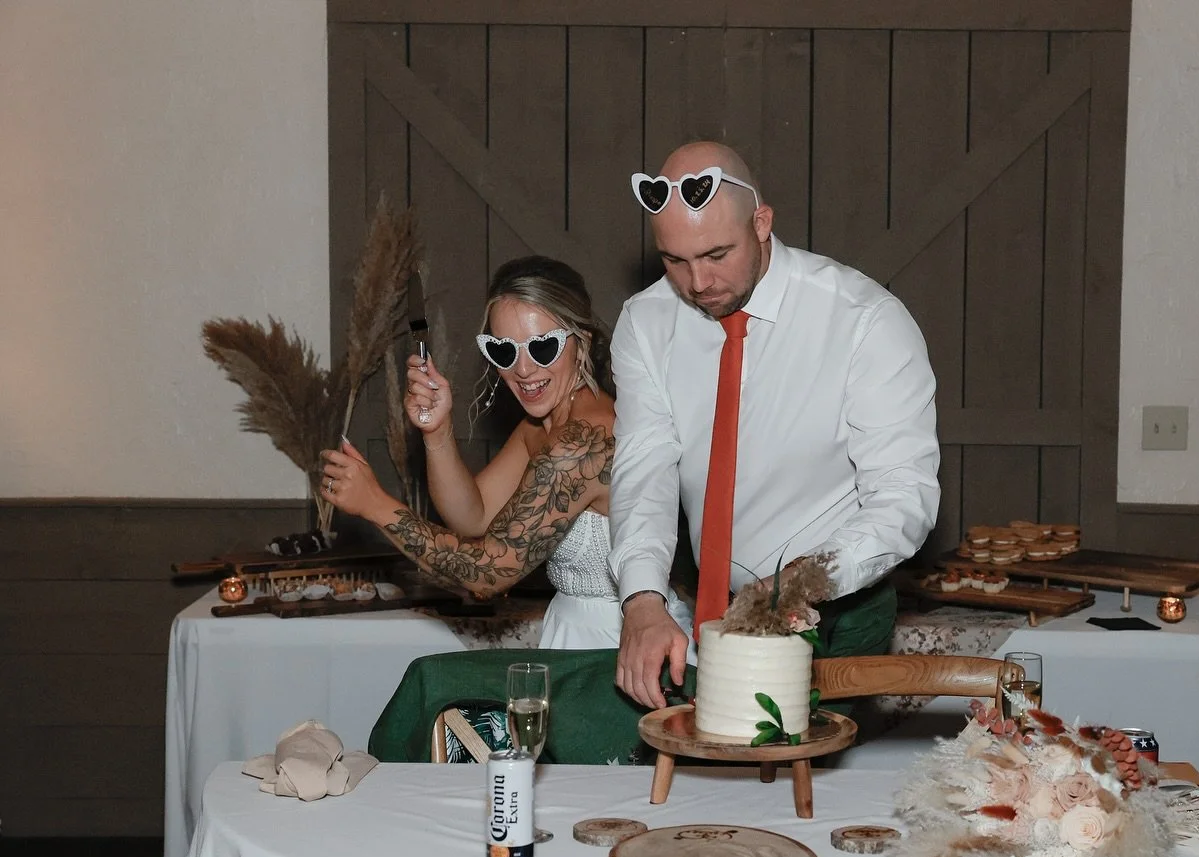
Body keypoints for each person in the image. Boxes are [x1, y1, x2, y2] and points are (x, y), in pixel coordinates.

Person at [610, 141, 941, 709]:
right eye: (674, 261)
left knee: (812, 788)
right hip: (709, 605)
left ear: (762, 222)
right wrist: (642, 599)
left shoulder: (864, 320)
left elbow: (904, 498)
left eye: (717, 254)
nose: (697, 282)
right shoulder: (646, 322)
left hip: (837, 603)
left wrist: (794, 584)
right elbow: (646, 468)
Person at [321, 254, 692, 652]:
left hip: (617, 644)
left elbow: (487, 573)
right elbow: (474, 515)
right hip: (573, 631)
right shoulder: (542, 427)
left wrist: (376, 505)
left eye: (543, 347)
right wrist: (437, 431)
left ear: (581, 341)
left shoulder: (580, 444)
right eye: (503, 351)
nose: (524, 369)